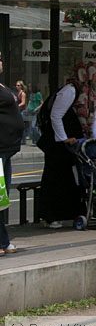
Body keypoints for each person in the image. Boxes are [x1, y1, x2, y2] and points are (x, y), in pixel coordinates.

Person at [37, 67, 96, 228]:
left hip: (75, 142)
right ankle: (50, 215)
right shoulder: (71, 90)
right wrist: (63, 139)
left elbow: (92, 119)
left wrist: (95, 141)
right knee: (55, 178)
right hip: (59, 144)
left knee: (72, 178)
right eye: (94, 73)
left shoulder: (88, 93)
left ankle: (71, 213)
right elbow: (55, 115)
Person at [0, 53, 25, 254]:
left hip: (6, 150)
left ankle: (2, 241)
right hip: (0, 150)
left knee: (3, 196)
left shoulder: (2, 86)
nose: (1, 62)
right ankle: (2, 241)